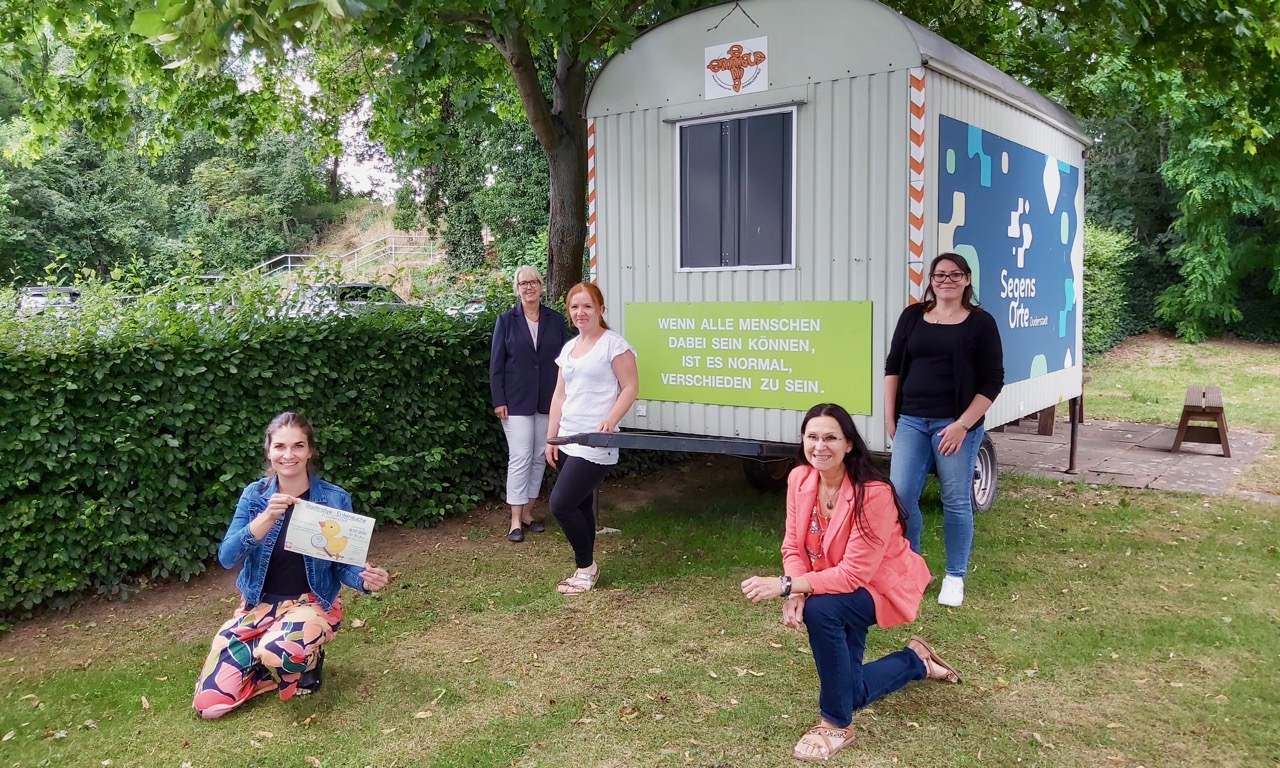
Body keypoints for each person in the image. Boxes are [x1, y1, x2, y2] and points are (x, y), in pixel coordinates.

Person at [741, 403, 960, 762]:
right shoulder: (799, 479)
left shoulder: (872, 493)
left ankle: (835, 724)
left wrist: (788, 586)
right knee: (849, 686)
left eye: (831, 437)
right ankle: (915, 661)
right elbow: (793, 545)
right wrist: (796, 586)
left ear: (849, 445)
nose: (819, 446)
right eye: (812, 436)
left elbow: (853, 574)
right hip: (830, 581)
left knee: (822, 611)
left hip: (879, 584)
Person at [193, 412, 389, 719]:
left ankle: (301, 658)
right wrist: (266, 518)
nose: (289, 455)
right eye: (280, 446)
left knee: (279, 650)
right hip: (257, 607)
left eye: (298, 446)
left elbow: (343, 565)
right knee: (210, 706)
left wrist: (364, 579)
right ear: (268, 451)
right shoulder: (255, 496)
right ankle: (260, 666)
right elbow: (227, 557)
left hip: (309, 604)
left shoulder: (334, 499)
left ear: (310, 451)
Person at [884, 252, 1004, 607]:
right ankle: (914, 567)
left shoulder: (980, 323)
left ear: (967, 280)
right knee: (901, 498)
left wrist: (963, 425)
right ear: (931, 280)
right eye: (939, 275)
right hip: (911, 421)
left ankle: (955, 576)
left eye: (954, 275)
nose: (946, 281)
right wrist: (891, 418)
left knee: (954, 500)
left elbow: (993, 382)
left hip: (956, 426)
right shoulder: (912, 317)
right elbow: (893, 368)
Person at [543, 282, 638, 595]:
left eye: (586, 306)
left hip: (596, 441)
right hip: (569, 437)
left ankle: (586, 568)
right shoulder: (569, 348)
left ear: (600, 309)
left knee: (561, 504)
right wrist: (550, 437)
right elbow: (559, 395)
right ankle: (586, 567)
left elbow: (630, 388)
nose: (580, 312)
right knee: (580, 504)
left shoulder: (614, 345)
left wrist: (609, 421)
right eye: (574, 307)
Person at [490, 266, 569, 543]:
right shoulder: (506, 321)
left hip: (549, 401)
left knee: (540, 456)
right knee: (521, 456)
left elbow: (566, 361)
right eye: (523, 283)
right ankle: (514, 519)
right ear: (517, 288)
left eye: (533, 281)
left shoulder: (556, 320)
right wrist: (498, 399)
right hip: (516, 402)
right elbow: (496, 364)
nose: (529, 287)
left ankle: (528, 513)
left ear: (541, 285)